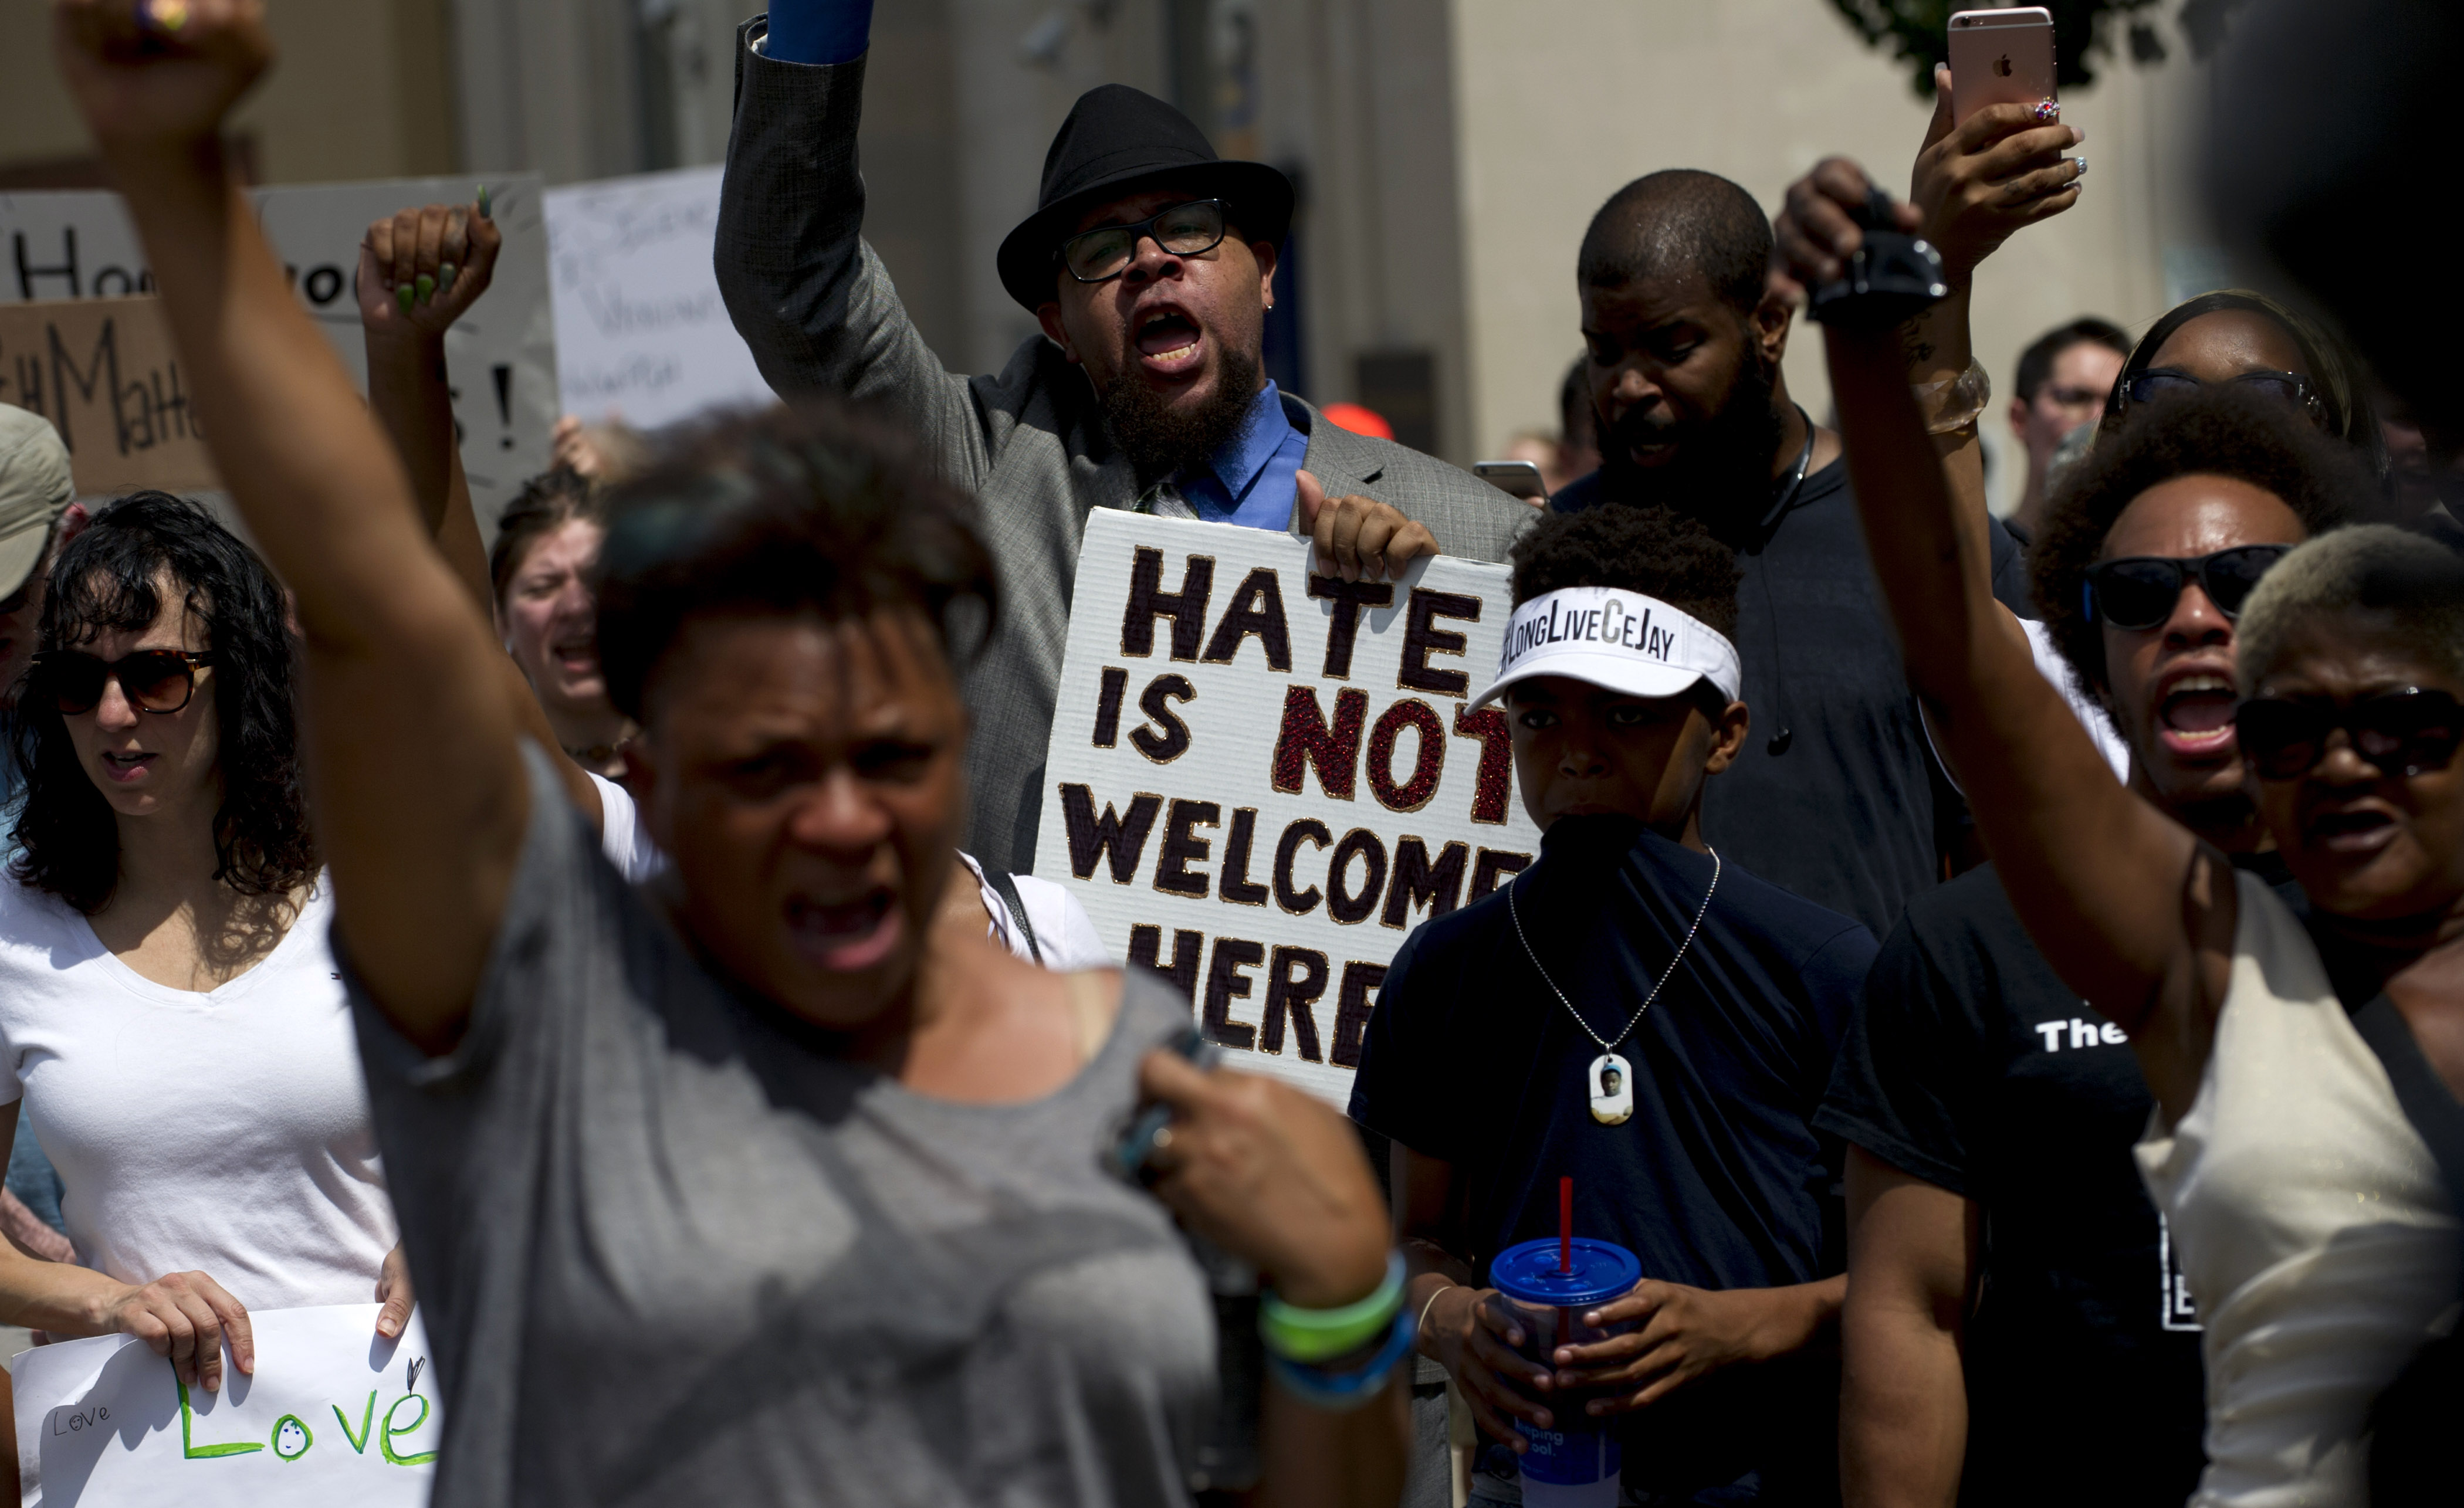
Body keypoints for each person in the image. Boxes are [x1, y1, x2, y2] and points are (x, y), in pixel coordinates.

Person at [57, 6, 1412, 1505]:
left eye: (890, 754)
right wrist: (173, 172)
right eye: (770, 766)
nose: (840, 818)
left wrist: (1344, 1307)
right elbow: (383, 610)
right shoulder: (567, 1022)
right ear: (658, 764)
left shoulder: (1122, 1045)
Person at [1778, 153, 2464, 1508]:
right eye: (2147, 591)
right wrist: (1879, 329)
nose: (2340, 761)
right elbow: (1963, 660)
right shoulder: (2205, 957)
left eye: (2401, 723)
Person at [716, 1, 1533, 875]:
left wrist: (1423, 612)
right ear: (1058, 326)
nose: (1150, 259)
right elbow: (795, 281)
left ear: (1264, 272)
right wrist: (819, 16)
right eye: (1103, 248)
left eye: (1187, 226)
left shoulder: (1478, 539)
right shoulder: (986, 470)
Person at [1810, 384, 2357, 1507]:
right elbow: (1912, 1316)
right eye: (2142, 595)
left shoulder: (2431, 924)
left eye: (2250, 581)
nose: (2196, 619)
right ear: (2091, 650)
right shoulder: (1965, 947)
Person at [1353, 503, 1877, 1505]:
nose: (1578, 751)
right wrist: (1453, 1320)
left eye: (1628, 713)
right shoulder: (1447, 968)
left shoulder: (1821, 967)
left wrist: (1738, 1329)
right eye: (1541, 716)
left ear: (1723, 734)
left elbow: (1932, 1289)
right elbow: (1411, 1240)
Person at [1551, 134, 2068, 937]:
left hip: (1882, 1047)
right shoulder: (1566, 548)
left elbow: (2017, 804)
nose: (1627, 386)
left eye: (1671, 347)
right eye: (1603, 349)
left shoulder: (1907, 526)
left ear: (1770, 324)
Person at [0, 492, 414, 1394]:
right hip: (143, 1454)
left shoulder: (375, 875)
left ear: (241, 673)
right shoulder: (10, 927)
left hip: (394, 1431)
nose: (114, 715)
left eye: (155, 675)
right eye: (79, 680)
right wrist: (103, 1302)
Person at [486, 468, 634, 780]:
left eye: (597, 579)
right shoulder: (490, 783)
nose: (576, 606)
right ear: (503, 622)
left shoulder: (703, 762)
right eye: (543, 587)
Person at [2003, 316, 2128, 541]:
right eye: (2075, 398)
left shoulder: (2145, 566)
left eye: (2117, 405)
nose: (2100, 420)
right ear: (2020, 419)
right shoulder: (1980, 564)